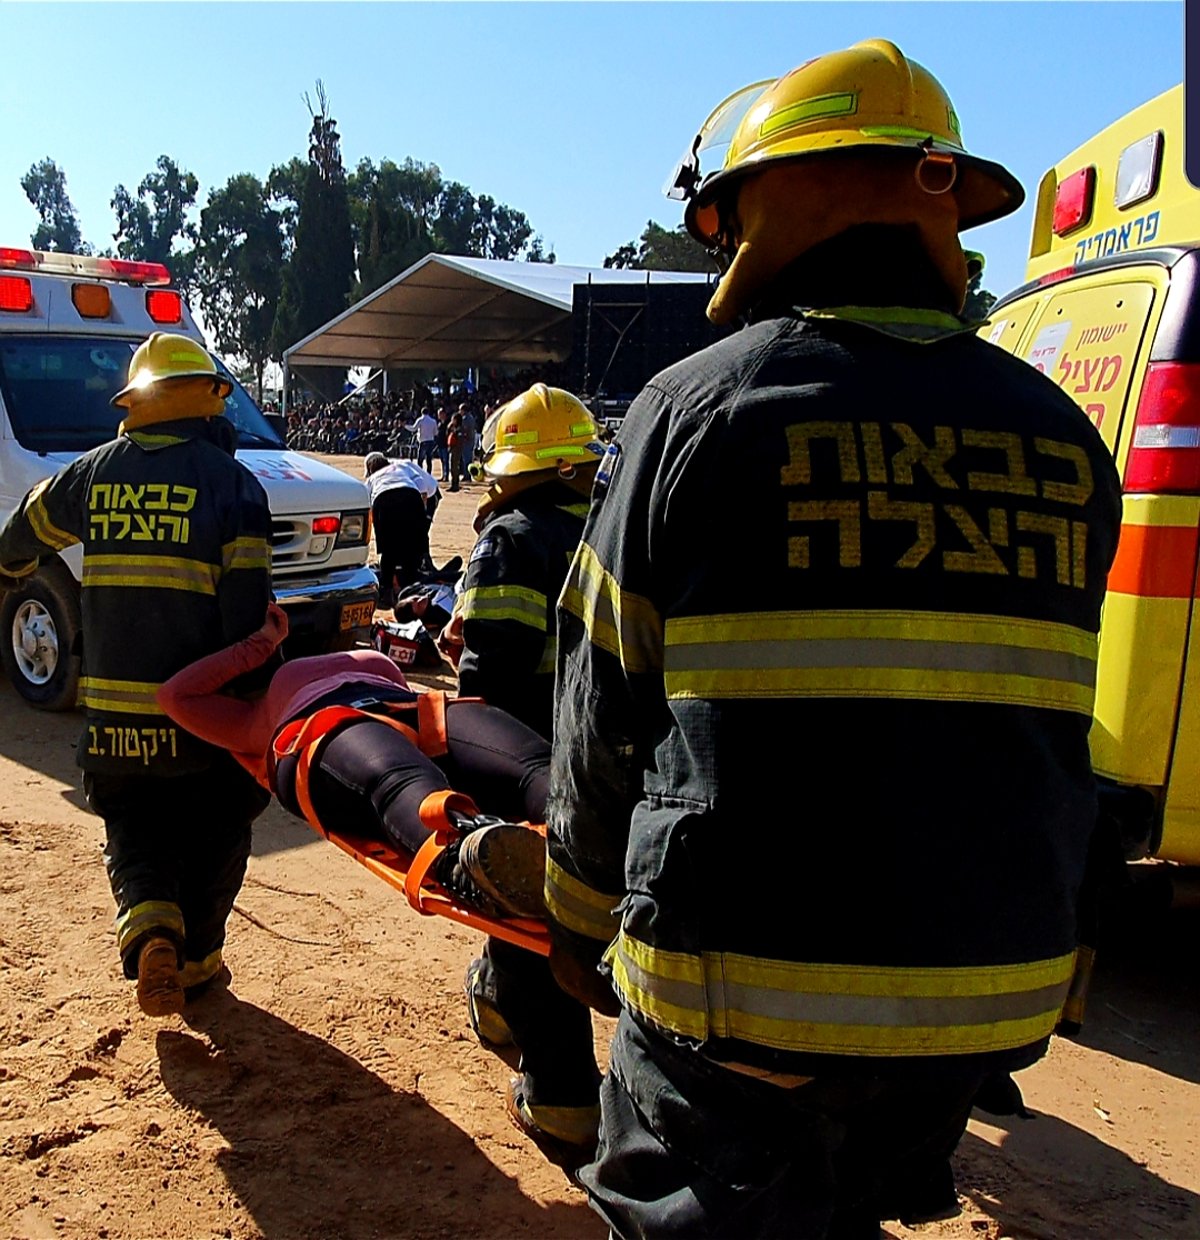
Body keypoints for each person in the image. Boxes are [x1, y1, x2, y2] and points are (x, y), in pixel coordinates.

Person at [543, 40, 1123, 1238]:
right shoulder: (1066, 442)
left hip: (741, 1012)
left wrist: (574, 914)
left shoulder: (696, 412)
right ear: (942, 214)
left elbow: (602, 712)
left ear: (773, 203)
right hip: (979, 1008)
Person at [0, 332, 275, 1018]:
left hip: (115, 723)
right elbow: (247, 619)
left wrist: (11, 576)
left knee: (133, 827)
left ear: (136, 406)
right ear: (211, 405)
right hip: (202, 721)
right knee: (217, 834)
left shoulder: (92, 472)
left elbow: (16, 541)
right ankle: (200, 962)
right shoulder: (234, 486)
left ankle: (152, 929)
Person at [157, 602, 548, 922]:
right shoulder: (254, 717)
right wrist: (259, 645)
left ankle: (577, 834)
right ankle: (476, 859)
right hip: (319, 727)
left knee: (536, 765)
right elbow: (177, 696)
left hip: (408, 707)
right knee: (401, 778)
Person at [450, 384, 606, 1164]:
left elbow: (488, 684)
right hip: (628, 769)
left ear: (508, 469)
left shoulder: (511, 537)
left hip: (538, 765)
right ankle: (504, 1017)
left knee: (522, 916)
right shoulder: (619, 528)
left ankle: (564, 1098)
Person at [363, 452, 440, 608]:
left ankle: (387, 594)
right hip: (410, 496)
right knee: (413, 547)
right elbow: (422, 486)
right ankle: (411, 589)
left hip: (383, 501)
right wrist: (420, 514)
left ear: (370, 469)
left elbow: (366, 503)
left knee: (388, 551)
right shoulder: (399, 467)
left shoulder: (372, 479)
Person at [412, 406, 439, 474]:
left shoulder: (420, 420)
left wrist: (405, 426)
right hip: (431, 441)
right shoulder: (433, 421)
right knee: (429, 459)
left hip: (423, 441)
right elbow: (436, 432)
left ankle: (420, 473)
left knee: (420, 459)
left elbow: (414, 428)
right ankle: (429, 474)